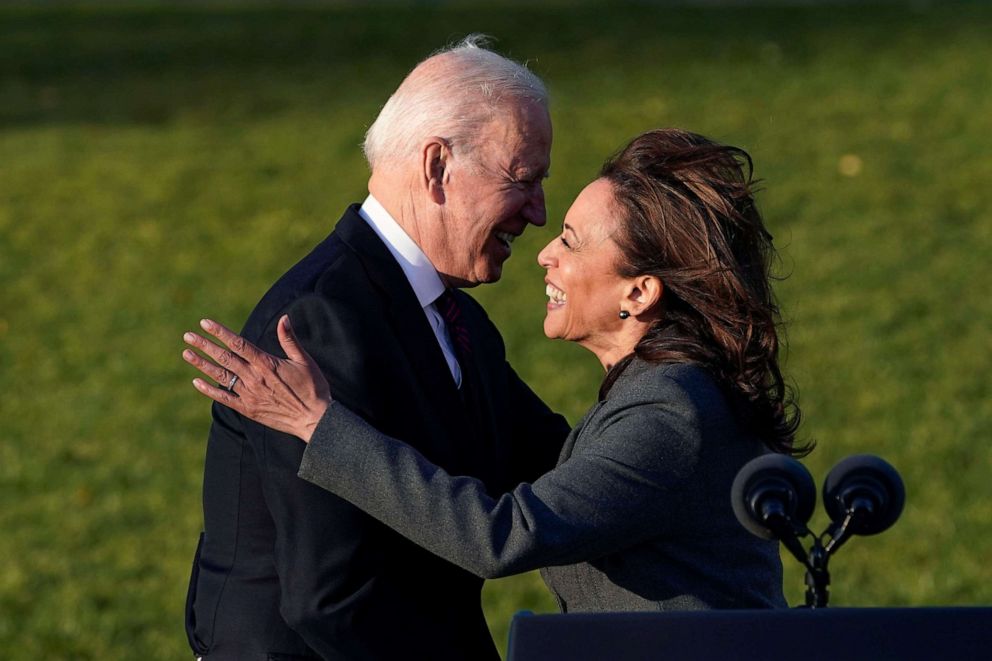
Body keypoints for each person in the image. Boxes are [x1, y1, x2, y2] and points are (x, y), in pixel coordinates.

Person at [184, 128, 809, 616]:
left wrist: (318, 424)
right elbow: (535, 456)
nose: (546, 253)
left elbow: (503, 535)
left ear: (640, 292)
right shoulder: (663, 390)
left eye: (570, 241)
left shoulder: (670, 412)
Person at [181, 36, 571, 660]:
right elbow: (332, 598)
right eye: (524, 179)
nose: (540, 212)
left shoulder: (454, 316)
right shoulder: (316, 324)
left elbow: (553, 465)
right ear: (437, 166)